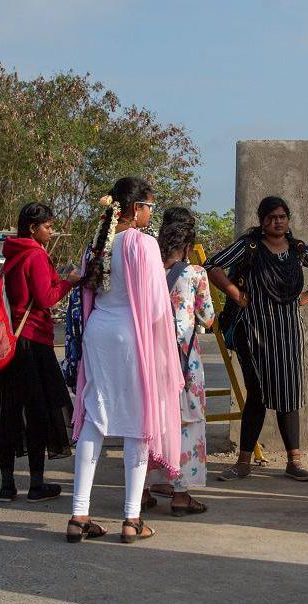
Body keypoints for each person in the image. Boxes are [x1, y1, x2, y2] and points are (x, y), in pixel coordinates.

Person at [66, 177, 184, 544]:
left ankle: (79, 514)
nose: (151, 212)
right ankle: (131, 519)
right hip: (131, 335)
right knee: (138, 421)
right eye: (150, 205)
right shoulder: (143, 244)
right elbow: (152, 306)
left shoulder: (98, 244)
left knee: (95, 416)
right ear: (135, 209)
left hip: (99, 332)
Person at [206, 196, 308, 482]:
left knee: (289, 392)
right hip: (253, 330)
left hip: (288, 330)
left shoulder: (298, 249)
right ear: (262, 220)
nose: (277, 222)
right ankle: (243, 462)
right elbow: (212, 265)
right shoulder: (248, 247)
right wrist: (235, 294)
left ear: (287, 219)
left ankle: (295, 461)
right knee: (258, 392)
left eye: (282, 217)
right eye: (272, 217)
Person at [0, 203, 79, 503]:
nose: (51, 231)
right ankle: (36, 484)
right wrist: (69, 283)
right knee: (39, 413)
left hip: (12, 344)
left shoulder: (12, 255)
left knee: (10, 414)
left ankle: (7, 485)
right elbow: (44, 299)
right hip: (34, 341)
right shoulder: (35, 254)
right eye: (47, 226)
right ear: (33, 228)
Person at [147, 207, 215, 516]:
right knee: (187, 422)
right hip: (185, 358)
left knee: (153, 421)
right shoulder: (195, 273)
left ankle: (147, 488)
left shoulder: (149, 270)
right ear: (189, 244)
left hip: (151, 357)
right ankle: (181, 493)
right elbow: (208, 317)